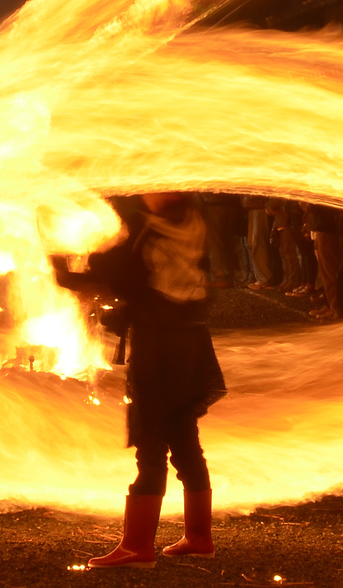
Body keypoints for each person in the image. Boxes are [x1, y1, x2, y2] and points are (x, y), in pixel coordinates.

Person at [81, 193, 225, 568]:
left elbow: (121, 278)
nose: (146, 191)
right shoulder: (193, 221)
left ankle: (137, 546)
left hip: (159, 344)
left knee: (152, 439)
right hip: (190, 341)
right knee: (184, 437)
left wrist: (70, 269)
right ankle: (198, 537)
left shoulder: (147, 228)